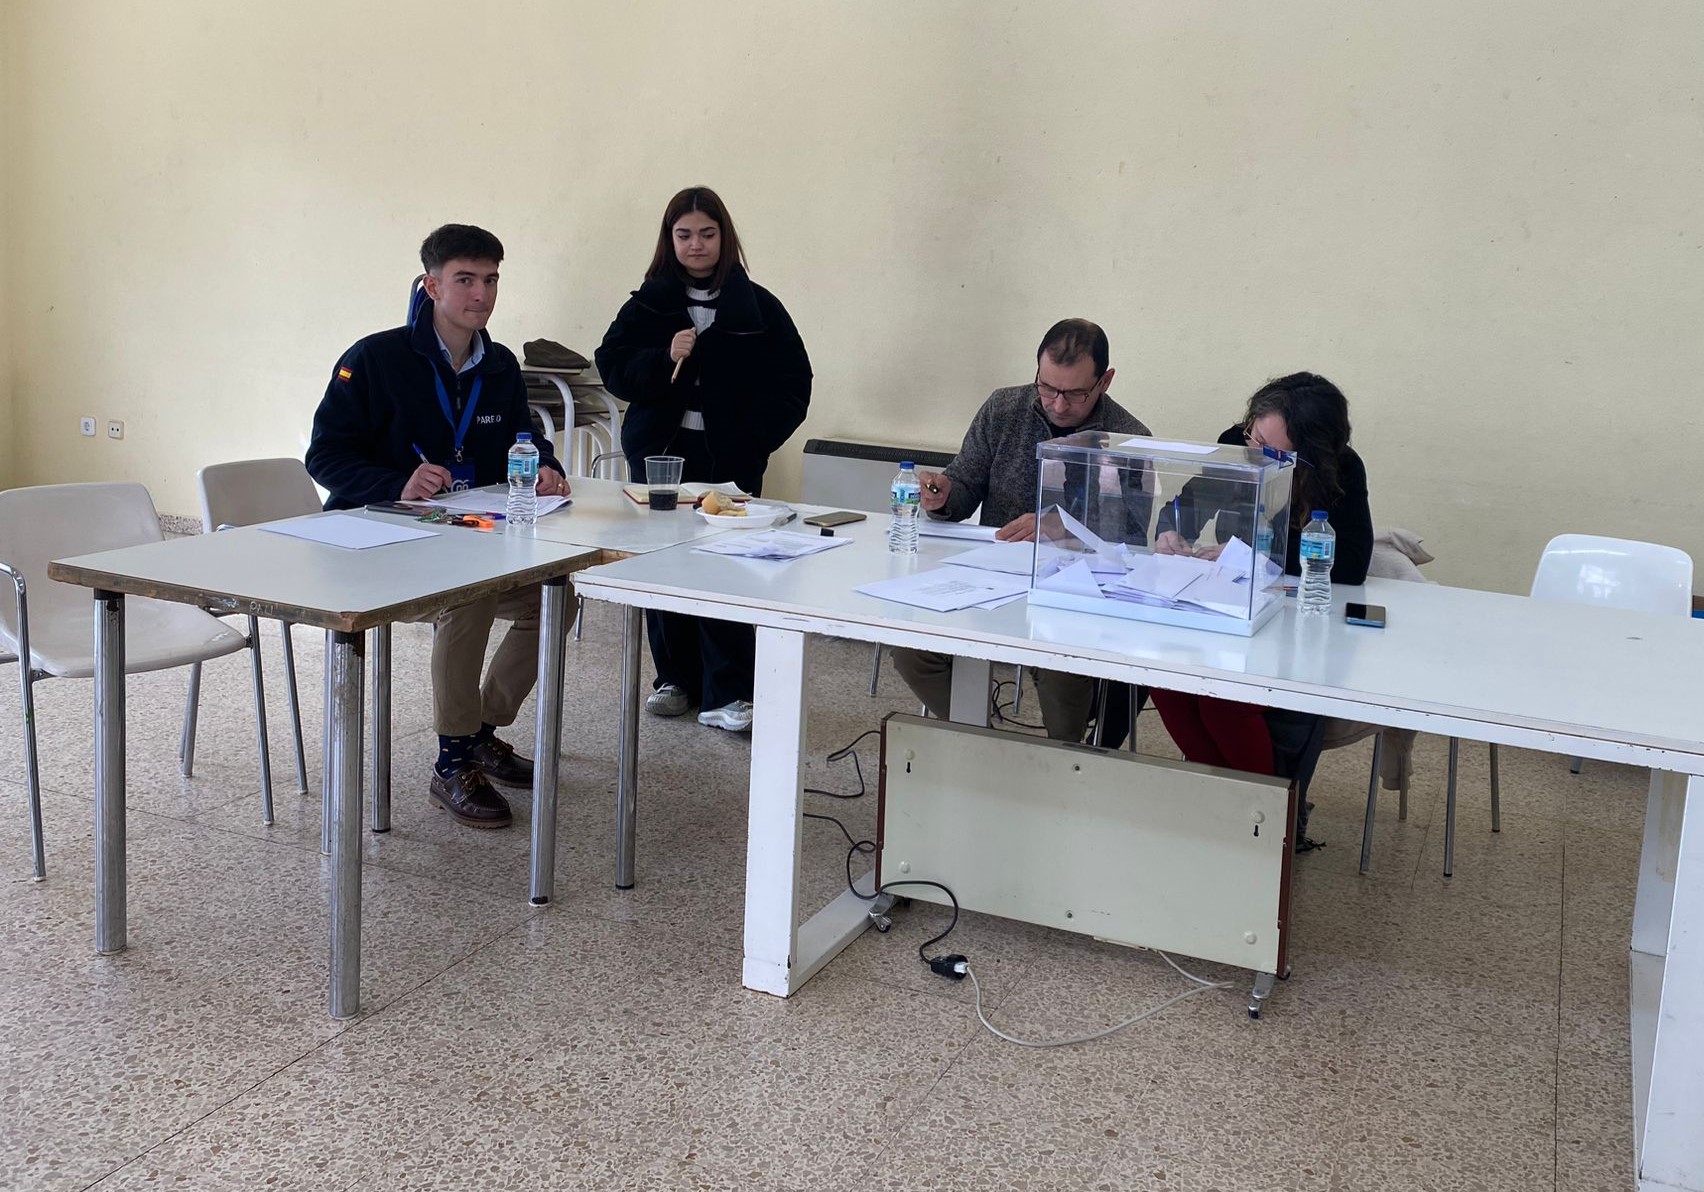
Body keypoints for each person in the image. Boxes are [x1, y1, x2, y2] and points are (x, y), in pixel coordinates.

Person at [305, 224, 569, 831]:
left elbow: (523, 436)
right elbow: (325, 456)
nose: (481, 294)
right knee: (468, 598)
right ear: (431, 286)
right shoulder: (373, 359)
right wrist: (395, 481)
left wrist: (544, 465)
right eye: (465, 280)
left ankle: (479, 730)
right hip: (373, 541)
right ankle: (452, 761)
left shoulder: (499, 365)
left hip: (460, 536)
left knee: (554, 597)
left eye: (491, 280)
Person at [595, 186, 813, 734]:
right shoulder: (647, 303)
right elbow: (613, 366)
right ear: (669, 240)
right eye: (685, 234)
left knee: (729, 566)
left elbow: (794, 384)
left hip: (730, 460)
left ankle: (730, 691)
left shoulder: (758, 306)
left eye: (707, 234)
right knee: (664, 563)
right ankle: (674, 679)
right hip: (662, 458)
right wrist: (661, 356)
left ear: (724, 237)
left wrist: (756, 440)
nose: (696, 245)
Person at [892, 319, 1150, 742]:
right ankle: (988, 746)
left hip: (1072, 592)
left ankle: (1061, 762)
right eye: (1046, 387)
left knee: (1062, 670)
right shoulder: (1003, 409)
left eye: (1075, 393)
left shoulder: (1129, 439)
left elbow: (1133, 540)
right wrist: (944, 496)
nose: (1058, 405)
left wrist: (1064, 527)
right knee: (912, 650)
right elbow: (966, 483)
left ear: (1105, 381)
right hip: (992, 578)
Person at [1147, 372, 1372, 825]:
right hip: (1230, 613)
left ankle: (1267, 818)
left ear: (1306, 453)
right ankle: (1226, 801)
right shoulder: (1237, 445)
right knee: (1166, 683)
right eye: (1254, 433)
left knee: (1222, 701)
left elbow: (1350, 564)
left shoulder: (1342, 468)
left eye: (1271, 448)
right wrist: (1169, 531)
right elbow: (1186, 505)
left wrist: (1251, 558)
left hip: (1297, 622)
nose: (1255, 450)